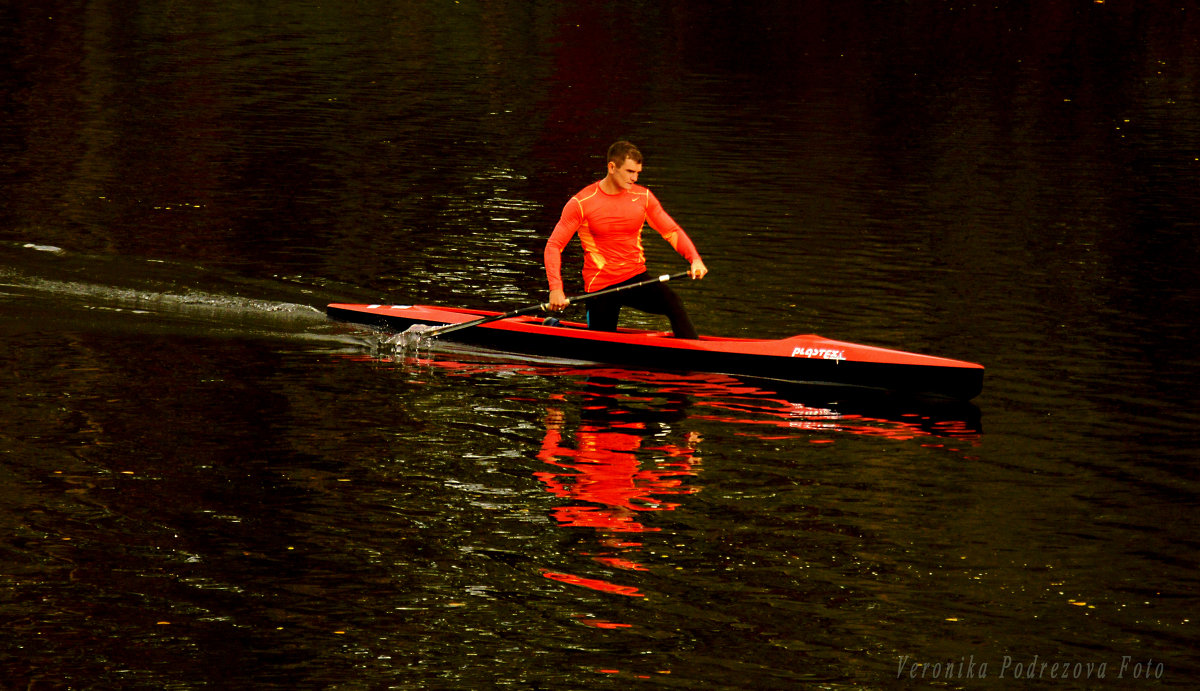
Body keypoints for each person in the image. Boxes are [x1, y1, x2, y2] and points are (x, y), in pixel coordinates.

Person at [543, 140, 708, 338]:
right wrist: (556, 289)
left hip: (635, 278)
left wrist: (695, 259)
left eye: (638, 173)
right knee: (601, 349)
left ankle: (693, 354)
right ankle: (556, 328)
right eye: (630, 171)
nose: (635, 178)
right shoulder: (582, 203)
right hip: (601, 285)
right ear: (612, 167)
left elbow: (671, 231)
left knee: (673, 302)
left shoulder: (643, 197)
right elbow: (554, 246)